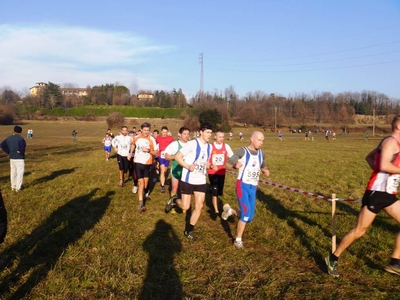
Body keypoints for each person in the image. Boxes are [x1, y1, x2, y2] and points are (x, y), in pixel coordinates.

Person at [325, 115, 400, 277]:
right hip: (376, 193)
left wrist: (380, 172)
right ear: (398, 126)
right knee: (360, 231)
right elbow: (384, 164)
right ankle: (333, 258)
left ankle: (395, 262)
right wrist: (380, 172)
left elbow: (370, 157)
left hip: (389, 194)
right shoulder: (390, 143)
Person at [167, 123, 216, 241]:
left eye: (211, 133)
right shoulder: (192, 144)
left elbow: (204, 162)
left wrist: (210, 165)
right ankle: (174, 200)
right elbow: (178, 157)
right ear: (201, 132)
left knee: (199, 206)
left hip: (200, 179)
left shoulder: (210, 147)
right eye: (208, 132)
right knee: (185, 206)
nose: (210, 135)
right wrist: (188, 166)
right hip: (188, 179)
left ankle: (188, 231)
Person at [222, 131, 270, 249]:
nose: (261, 143)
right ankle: (238, 240)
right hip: (242, 185)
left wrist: (265, 170)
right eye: (259, 140)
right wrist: (234, 166)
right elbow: (226, 164)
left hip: (253, 188)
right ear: (252, 139)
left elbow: (263, 166)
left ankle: (230, 211)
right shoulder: (242, 151)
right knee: (246, 214)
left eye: (263, 141)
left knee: (250, 217)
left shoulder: (261, 154)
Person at [129, 122, 157, 212]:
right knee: (141, 183)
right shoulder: (136, 138)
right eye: (144, 130)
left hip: (148, 163)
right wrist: (130, 153)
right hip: (138, 162)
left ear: (149, 130)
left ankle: (145, 193)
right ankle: (141, 204)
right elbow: (133, 144)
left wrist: (149, 150)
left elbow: (156, 152)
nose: (146, 132)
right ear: (141, 130)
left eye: (148, 130)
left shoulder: (152, 140)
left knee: (145, 184)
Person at [207, 130, 234, 218]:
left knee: (219, 192)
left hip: (222, 172)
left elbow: (232, 157)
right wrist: (210, 165)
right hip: (212, 172)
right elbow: (205, 159)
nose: (221, 139)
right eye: (219, 137)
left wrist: (231, 164)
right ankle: (216, 211)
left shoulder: (226, 146)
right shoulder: (210, 147)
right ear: (215, 137)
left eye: (222, 137)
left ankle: (212, 191)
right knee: (215, 190)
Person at [164, 127, 190, 213]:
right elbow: (166, 156)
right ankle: (173, 205)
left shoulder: (191, 145)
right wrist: (175, 157)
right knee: (174, 188)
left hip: (186, 171)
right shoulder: (174, 144)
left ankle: (183, 206)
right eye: (184, 134)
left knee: (184, 189)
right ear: (180, 134)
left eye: (187, 134)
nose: (186, 136)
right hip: (176, 169)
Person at [1, 126, 26, 192]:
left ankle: (13, 186)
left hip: (12, 158)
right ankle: (18, 188)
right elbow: (22, 147)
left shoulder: (9, 138)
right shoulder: (20, 138)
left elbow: (2, 145)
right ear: (20, 131)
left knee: (13, 172)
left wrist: (9, 152)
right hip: (19, 158)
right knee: (20, 173)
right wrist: (21, 152)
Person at [156, 126, 175, 193]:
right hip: (160, 156)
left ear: (167, 132)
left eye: (166, 132)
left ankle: (162, 178)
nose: (164, 133)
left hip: (167, 156)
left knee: (164, 171)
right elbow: (156, 146)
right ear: (161, 132)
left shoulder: (170, 138)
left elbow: (174, 145)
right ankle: (162, 186)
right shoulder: (158, 138)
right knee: (163, 170)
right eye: (163, 132)